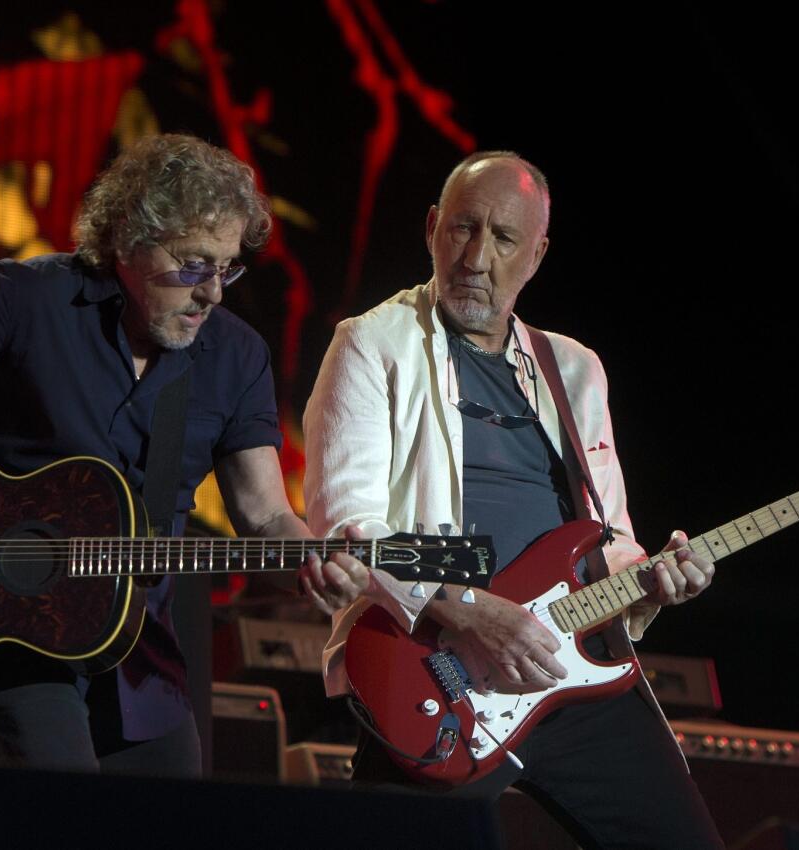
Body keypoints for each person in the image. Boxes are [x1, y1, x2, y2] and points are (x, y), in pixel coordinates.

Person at [0, 133, 369, 776]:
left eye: (227, 267)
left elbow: (268, 518)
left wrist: (310, 562)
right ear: (130, 240)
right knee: (70, 823)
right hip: (3, 632)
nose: (213, 292)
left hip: (139, 652)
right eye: (193, 265)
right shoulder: (21, 300)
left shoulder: (236, 356)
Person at [303, 151, 725, 848]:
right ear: (433, 227)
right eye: (463, 229)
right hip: (438, 667)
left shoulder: (576, 369)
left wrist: (651, 580)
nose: (475, 257)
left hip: (577, 671)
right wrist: (467, 611)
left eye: (502, 239)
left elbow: (608, 536)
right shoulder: (371, 344)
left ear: (537, 254)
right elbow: (349, 528)